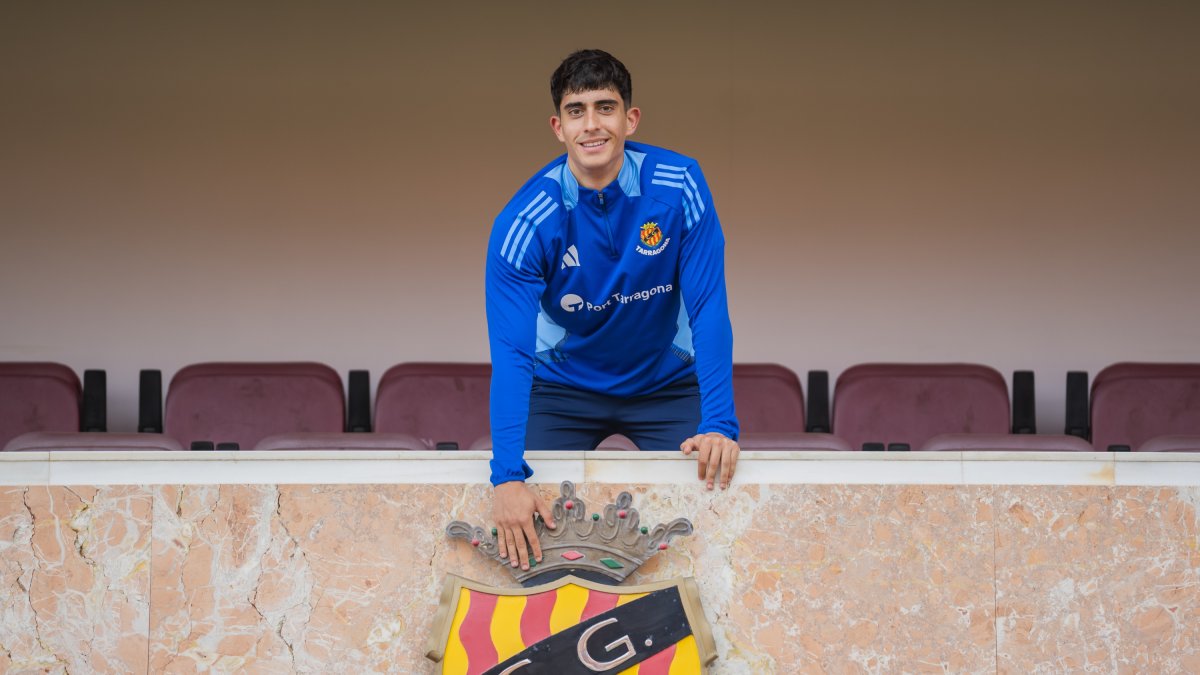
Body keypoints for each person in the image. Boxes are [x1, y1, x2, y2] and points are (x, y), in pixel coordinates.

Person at [485, 49, 740, 571]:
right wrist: (507, 474)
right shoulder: (524, 221)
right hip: (563, 389)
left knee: (711, 524)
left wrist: (719, 423)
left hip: (665, 383)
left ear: (631, 118)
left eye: (606, 106)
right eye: (577, 110)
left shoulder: (679, 184)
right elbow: (511, 352)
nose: (592, 124)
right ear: (558, 126)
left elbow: (709, 303)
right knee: (535, 537)